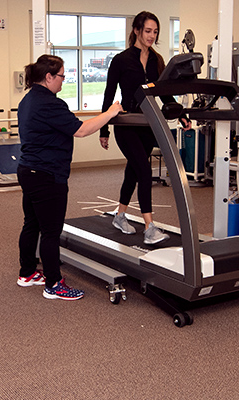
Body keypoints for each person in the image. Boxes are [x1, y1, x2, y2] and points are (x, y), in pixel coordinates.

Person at [16, 54, 124, 301]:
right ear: (49, 77)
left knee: (31, 223)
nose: (63, 81)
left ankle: (27, 273)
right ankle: (53, 284)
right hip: (46, 174)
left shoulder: (28, 100)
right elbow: (81, 130)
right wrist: (110, 113)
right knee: (51, 231)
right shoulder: (50, 103)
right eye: (62, 76)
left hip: (29, 170)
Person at [98, 11, 171, 245]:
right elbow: (109, 94)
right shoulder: (121, 60)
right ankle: (149, 226)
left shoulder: (157, 60)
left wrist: (180, 112)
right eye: (148, 31)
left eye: (155, 32)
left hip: (147, 125)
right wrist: (103, 129)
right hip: (127, 124)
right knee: (144, 171)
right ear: (136, 30)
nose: (152, 36)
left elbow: (164, 92)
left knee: (134, 170)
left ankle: (120, 215)